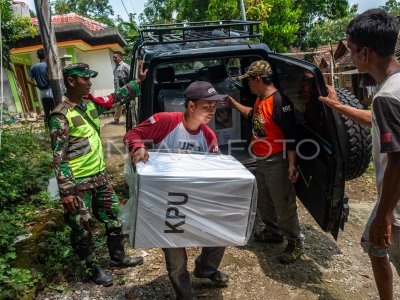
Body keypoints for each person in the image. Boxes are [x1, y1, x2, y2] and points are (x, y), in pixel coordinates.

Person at [318, 9, 400, 300]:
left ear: (365, 53)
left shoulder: (388, 97)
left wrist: (384, 216)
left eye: (351, 50)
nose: (350, 56)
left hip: (396, 202)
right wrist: (338, 107)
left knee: (380, 245)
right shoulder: (391, 90)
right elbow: (375, 120)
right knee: (375, 249)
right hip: (391, 201)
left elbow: (397, 161)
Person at [123, 81, 229, 300]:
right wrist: (139, 146)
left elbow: (214, 169)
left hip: (194, 197)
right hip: (166, 201)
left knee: (222, 229)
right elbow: (132, 135)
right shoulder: (166, 121)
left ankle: (206, 269)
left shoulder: (208, 136)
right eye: (206, 106)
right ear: (191, 106)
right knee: (175, 253)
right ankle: (184, 293)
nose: (212, 111)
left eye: (214, 106)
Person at [49, 61, 147, 286]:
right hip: (77, 184)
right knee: (82, 229)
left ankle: (118, 257)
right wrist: (66, 191)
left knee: (114, 217)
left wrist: (137, 82)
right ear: (72, 81)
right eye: (85, 79)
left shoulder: (90, 104)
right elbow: (59, 157)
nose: (90, 83)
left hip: (99, 178)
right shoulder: (60, 116)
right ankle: (92, 269)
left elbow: (114, 98)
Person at [225, 60, 303, 264]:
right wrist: (234, 105)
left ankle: (295, 241)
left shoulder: (280, 102)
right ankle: (273, 231)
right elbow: (253, 116)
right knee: (264, 201)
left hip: (277, 160)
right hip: (261, 159)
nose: (248, 85)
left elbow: (291, 137)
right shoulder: (261, 99)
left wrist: (292, 165)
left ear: (258, 79)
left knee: (283, 203)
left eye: (249, 81)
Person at [28, 48, 55, 122]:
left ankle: (47, 130)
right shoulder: (48, 66)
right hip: (51, 91)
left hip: (42, 92)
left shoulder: (34, 67)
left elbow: (29, 80)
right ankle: (56, 130)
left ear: (38, 56)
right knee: (54, 111)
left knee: (46, 113)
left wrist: (37, 85)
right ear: (46, 55)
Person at [109, 51, 131, 125]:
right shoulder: (116, 67)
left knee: (128, 104)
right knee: (118, 104)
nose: (114, 59)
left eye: (115, 57)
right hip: (118, 90)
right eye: (113, 57)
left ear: (120, 57)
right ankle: (116, 120)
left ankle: (129, 120)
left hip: (125, 89)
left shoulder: (125, 66)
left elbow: (131, 76)